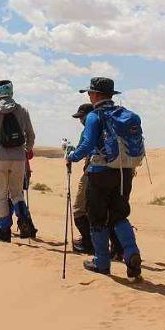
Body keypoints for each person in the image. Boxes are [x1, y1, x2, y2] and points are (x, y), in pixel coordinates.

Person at [66, 77, 142, 278]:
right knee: (119, 214)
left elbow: (87, 145)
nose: (89, 96)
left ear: (97, 95)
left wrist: (72, 156)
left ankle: (101, 262)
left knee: (97, 217)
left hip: (100, 173)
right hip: (125, 172)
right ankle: (132, 254)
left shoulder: (95, 116)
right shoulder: (125, 115)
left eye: (90, 93)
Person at [0, 80, 37, 242]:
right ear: (12, 92)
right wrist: (26, 150)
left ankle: (4, 230)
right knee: (17, 193)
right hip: (18, 158)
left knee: (0, 195)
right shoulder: (22, 110)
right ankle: (23, 218)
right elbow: (31, 135)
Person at [69, 103, 95, 254]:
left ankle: (88, 243)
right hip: (115, 172)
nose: (81, 120)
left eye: (82, 117)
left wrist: (71, 156)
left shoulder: (90, 128)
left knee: (79, 208)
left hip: (93, 170)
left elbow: (82, 149)